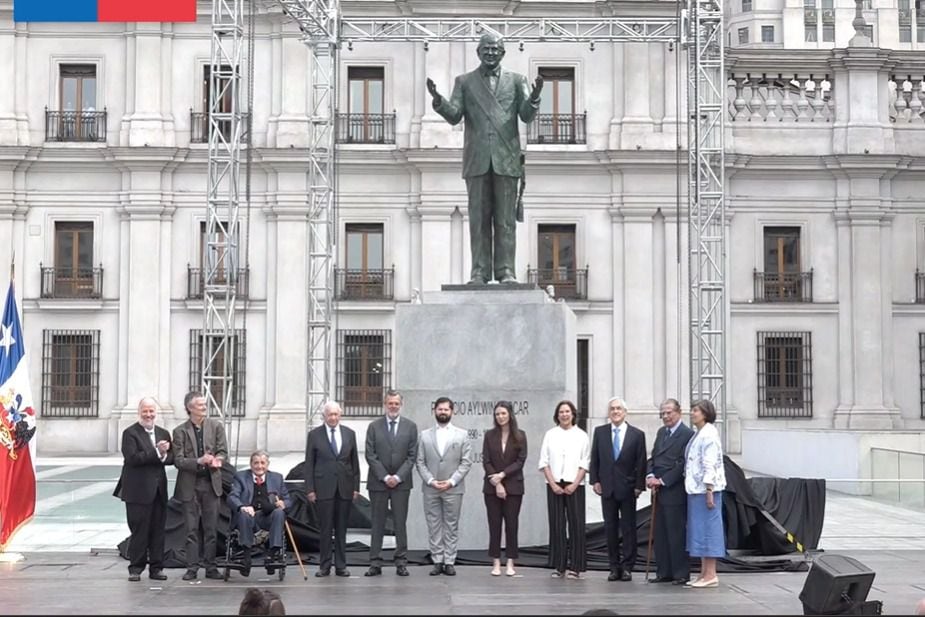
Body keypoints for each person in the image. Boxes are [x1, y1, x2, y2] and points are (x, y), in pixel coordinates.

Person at [426, 33, 544, 284]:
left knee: (505, 221)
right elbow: (456, 115)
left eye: (495, 49)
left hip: (507, 158)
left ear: (502, 53)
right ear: (478, 52)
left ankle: (505, 271)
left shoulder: (517, 81)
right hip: (477, 158)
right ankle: (479, 271)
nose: (491, 53)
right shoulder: (465, 82)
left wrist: (534, 98)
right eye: (486, 49)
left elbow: (525, 116)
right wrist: (439, 102)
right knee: (478, 220)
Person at [113, 396, 173, 582]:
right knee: (139, 530)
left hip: (158, 491)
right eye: (145, 411)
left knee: (158, 530)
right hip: (137, 491)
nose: (149, 414)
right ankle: (136, 568)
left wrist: (164, 455)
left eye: (151, 411)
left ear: (156, 412)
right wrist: (156, 452)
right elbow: (132, 458)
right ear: (139, 412)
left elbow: (171, 458)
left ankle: (157, 568)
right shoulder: (130, 433)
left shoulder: (163, 433)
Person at [589, 397, 647, 582]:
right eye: (612, 409)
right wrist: (595, 481)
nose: (615, 411)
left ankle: (628, 567)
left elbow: (641, 462)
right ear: (609, 412)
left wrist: (639, 485)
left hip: (629, 489)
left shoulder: (637, 434)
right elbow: (595, 458)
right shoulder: (600, 432)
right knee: (610, 528)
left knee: (629, 528)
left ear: (625, 412)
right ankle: (614, 567)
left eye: (619, 409)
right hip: (607, 488)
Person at [173, 390, 228, 581]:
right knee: (191, 530)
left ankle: (211, 567)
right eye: (200, 405)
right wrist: (199, 460)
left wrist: (218, 460)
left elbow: (223, 451)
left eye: (205, 404)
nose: (204, 407)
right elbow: (178, 461)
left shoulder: (216, 426)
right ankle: (192, 567)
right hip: (190, 485)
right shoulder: (179, 431)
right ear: (190, 408)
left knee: (211, 528)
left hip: (211, 483)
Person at [415, 396, 473, 576]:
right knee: (433, 525)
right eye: (439, 409)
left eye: (446, 409)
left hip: (453, 488)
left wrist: (451, 481)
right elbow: (420, 462)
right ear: (434, 411)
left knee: (451, 525)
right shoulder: (424, 435)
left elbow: (466, 462)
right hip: (431, 487)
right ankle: (437, 560)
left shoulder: (462, 435)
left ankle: (449, 560)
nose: (442, 412)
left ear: (452, 411)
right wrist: (431, 480)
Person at [365, 389, 419, 577]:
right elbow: (370, 455)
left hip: (401, 484)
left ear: (401, 405)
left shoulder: (410, 427)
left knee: (400, 523)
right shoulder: (374, 426)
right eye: (390, 403)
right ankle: (375, 562)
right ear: (385, 404)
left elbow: (412, 456)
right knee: (377, 523)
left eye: (396, 403)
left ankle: (401, 561)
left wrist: (397, 477)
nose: (393, 406)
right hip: (378, 483)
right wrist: (384, 476)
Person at [305, 400, 360, 578]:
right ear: (324, 416)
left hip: (345, 488)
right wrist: (310, 489)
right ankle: (325, 565)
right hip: (323, 488)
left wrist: (356, 487)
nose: (333, 418)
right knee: (326, 529)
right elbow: (309, 464)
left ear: (340, 415)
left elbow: (354, 463)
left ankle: (341, 566)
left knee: (342, 529)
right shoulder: (314, 435)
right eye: (330, 415)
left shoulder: (349, 434)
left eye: (336, 414)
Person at [538, 400, 591, 579]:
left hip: (575, 485)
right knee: (557, 525)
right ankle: (558, 565)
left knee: (576, 525)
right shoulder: (550, 434)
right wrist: (552, 483)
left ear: (573, 414)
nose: (564, 415)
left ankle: (575, 566)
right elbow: (544, 461)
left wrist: (575, 483)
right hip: (554, 485)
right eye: (561, 412)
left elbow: (585, 462)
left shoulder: (582, 435)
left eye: (567, 411)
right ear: (557, 415)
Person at [645, 398, 695, 585]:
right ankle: (663, 571)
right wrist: (649, 475)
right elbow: (654, 456)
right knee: (661, 533)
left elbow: (683, 463)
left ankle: (680, 573)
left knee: (676, 533)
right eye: (663, 413)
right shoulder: (661, 432)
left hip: (674, 490)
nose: (666, 416)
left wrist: (663, 480)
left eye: (669, 412)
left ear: (678, 412)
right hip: (657, 491)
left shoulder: (687, 434)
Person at [684, 399, 727, 588]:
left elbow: (709, 463)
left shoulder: (708, 434)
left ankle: (711, 573)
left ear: (705, 413)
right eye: (692, 410)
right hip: (696, 489)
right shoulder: (699, 434)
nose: (692, 413)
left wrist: (709, 489)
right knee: (700, 531)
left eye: (696, 410)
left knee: (709, 531)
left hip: (705, 490)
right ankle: (703, 573)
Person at [481, 400, 527, 577]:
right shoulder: (489, 435)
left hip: (514, 486)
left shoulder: (520, 435)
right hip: (492, 487)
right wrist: (497, 481)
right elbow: (486, 460)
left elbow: (520, 461)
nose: (500, 417)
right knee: (494, 524)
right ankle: (495, 562)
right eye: (497, 414)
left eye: (503, 413)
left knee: (512, 524)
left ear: (510, 415)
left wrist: (502, 475)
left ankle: (510, 562)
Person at [227, 450, 292, 573]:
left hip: (267, 518)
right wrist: (242, 506)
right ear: (251, 464)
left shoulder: (277, 478)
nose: (259, 466)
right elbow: (232, 497)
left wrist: (284, 504)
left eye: (263, 463)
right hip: (247, 519)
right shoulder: (241, 477)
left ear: (268, 464)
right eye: (256, 463)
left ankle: (271, 555)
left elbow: (288, 500)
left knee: (279, 512)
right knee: (244, 513)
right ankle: (246, 558)